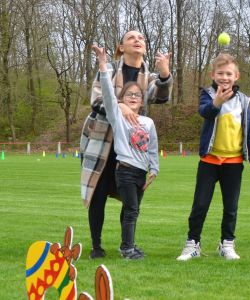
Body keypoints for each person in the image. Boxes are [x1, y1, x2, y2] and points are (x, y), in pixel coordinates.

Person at [80, 30, 172, 259]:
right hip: (101, 143)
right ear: (121, 46)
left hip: (131, 148)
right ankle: (96, 246)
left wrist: (164, 73)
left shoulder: (147, 76)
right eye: (131, 38)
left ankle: (127, 244)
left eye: (141, 38)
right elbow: (96, 100)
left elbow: (160, 96)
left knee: (130, 197)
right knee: (98, 194)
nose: (137, 40)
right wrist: (120, 105)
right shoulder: (109, 69)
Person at [177, 53, 250, 261]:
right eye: (220, 73)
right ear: (212, 75)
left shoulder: (244, 101)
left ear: (237, 76)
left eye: (229, 74)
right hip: (209, 161)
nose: (225, 77)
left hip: (233, 163)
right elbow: (205, 112)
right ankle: (192, 244)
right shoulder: (207, 94)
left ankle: (227, 244)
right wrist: (217, 101)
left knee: (231, 207)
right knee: (200, 205)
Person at [91, 45, 159, 260]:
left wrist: (154, 169)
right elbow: (108, 97)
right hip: (125, 170)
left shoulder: (148, 122)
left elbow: (153, 148)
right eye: (128, 94)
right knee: (131, 210)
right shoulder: (117, 118)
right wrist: (103, 65)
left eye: (137, 95)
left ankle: (128, 245)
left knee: (133, 210)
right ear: (123, 98)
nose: (133, 97)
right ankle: (127, 249)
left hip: (141, 172)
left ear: (142, 101)